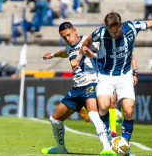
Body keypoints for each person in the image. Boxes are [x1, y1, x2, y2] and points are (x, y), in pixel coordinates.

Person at [71, 12, 152, 156]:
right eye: (111, 31)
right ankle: (108, 139)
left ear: (121, 25)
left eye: (116, 31)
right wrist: (78, 57)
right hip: (105, 75)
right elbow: (87, 41)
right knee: (103, 106)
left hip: (124, 75)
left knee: (128, 109)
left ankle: (124, 144)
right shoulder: (101, 32)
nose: (113, 34)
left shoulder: (132, 27)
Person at [41, 22, 116, 155]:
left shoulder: (89, 41)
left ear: (75, 30)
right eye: (64, 37)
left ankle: (107, 147)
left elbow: (104, 51)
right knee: (55, 119)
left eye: (69, 35)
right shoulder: (69, 48)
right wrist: (52, 55)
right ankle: (60, 149)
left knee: (93, 114)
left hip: (92, 83)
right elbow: (64, 52)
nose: (67, 39)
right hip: (77, 88)